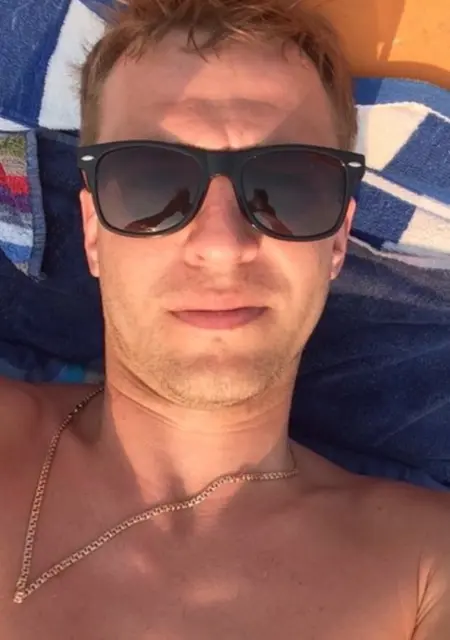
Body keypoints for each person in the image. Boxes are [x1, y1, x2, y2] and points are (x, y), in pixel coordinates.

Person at [0, 0, 449, 637]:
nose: (222, 244)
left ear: (338, 240)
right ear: (94, 232)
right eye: (152, 181)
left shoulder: (426, 569)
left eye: (287, 185)